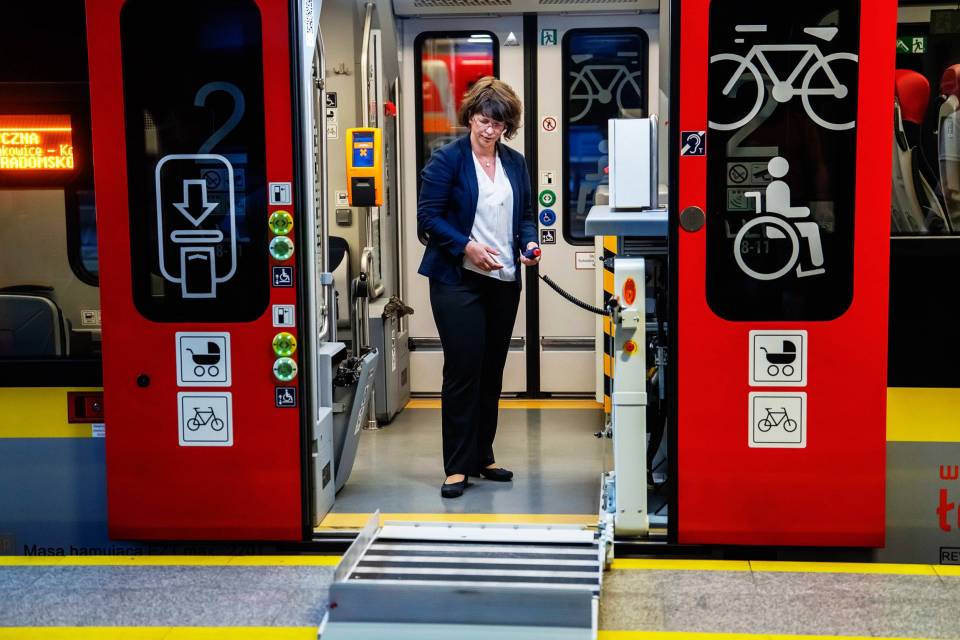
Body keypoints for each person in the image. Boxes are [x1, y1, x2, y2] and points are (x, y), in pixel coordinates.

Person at [416, 76, 540, 498]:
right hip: (458, 281)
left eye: (499, 123)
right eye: (484, 120)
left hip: (503, 281)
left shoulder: (515, 163)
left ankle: (482, 456)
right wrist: (467, 246)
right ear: (470, 117)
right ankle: (456, 466)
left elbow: (526, 214)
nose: (490, 130)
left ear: (508, 126)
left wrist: (529, 244)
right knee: (463, 370)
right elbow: (428, 218)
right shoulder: (447, 160)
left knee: (491, 372)